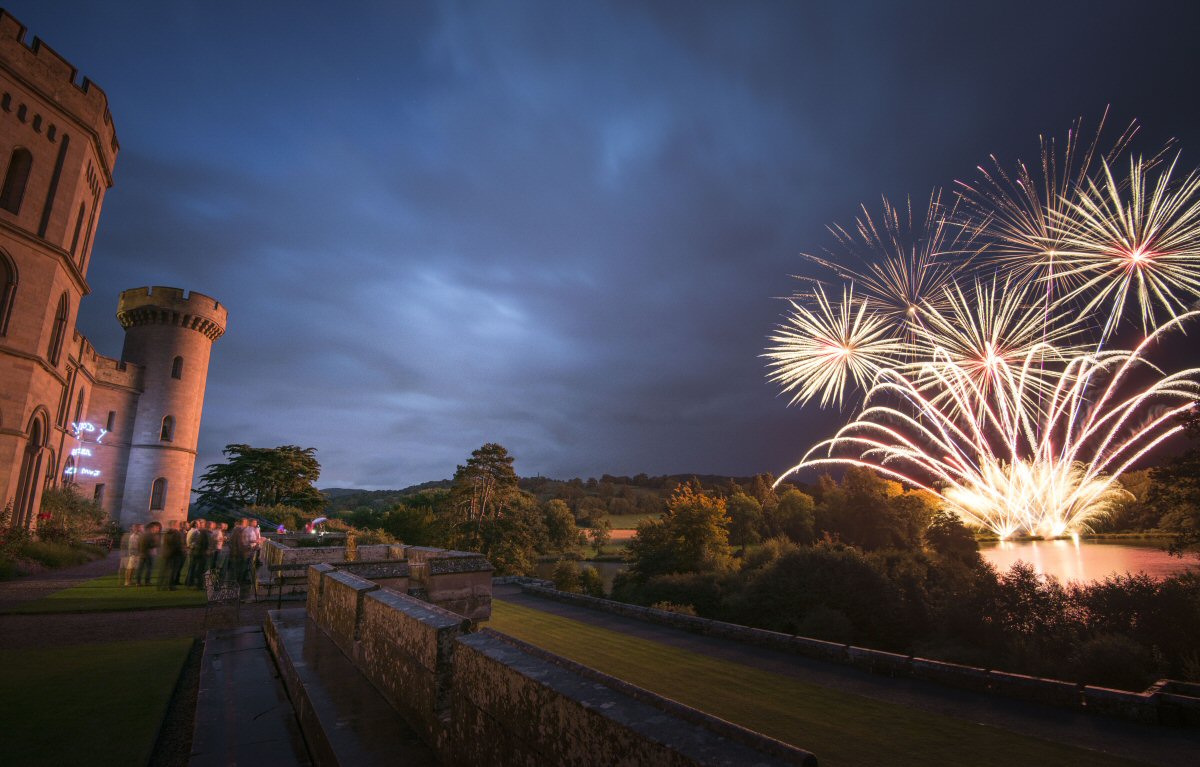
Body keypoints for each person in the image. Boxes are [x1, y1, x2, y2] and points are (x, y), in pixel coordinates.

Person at [158, 520, 184, 590]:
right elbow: (176, 544)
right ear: (174, 525)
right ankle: (170, 586)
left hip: (167, 553)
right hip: (174, 554)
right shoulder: (176, 533)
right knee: (172, 571)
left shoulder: (167, 533)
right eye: (178, 524)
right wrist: (181, 550)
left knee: (165, 570)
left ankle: (161, 585)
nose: (180, 525)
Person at [185, 520, 210, 588]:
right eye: (199, 523)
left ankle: (189, 582)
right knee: (196, 568)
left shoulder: (192, 531)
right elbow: (192, 542)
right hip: (196, 551)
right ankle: (194, 583)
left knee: (192, 568)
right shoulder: (196, 531)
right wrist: (193, 546)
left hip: (195, 551)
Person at [135, 522, 159, 586]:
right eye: (154, 528)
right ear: (151, 528)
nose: (155, 530)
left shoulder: (142, 535)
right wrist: (156, 543)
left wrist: (139, 552)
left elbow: (138, 545)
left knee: (140, 568)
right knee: (149, 568)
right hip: (148, 554)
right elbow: (151, 545)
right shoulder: (150, 536)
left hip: (142, 554)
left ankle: (138, 582)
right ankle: (147, 582)